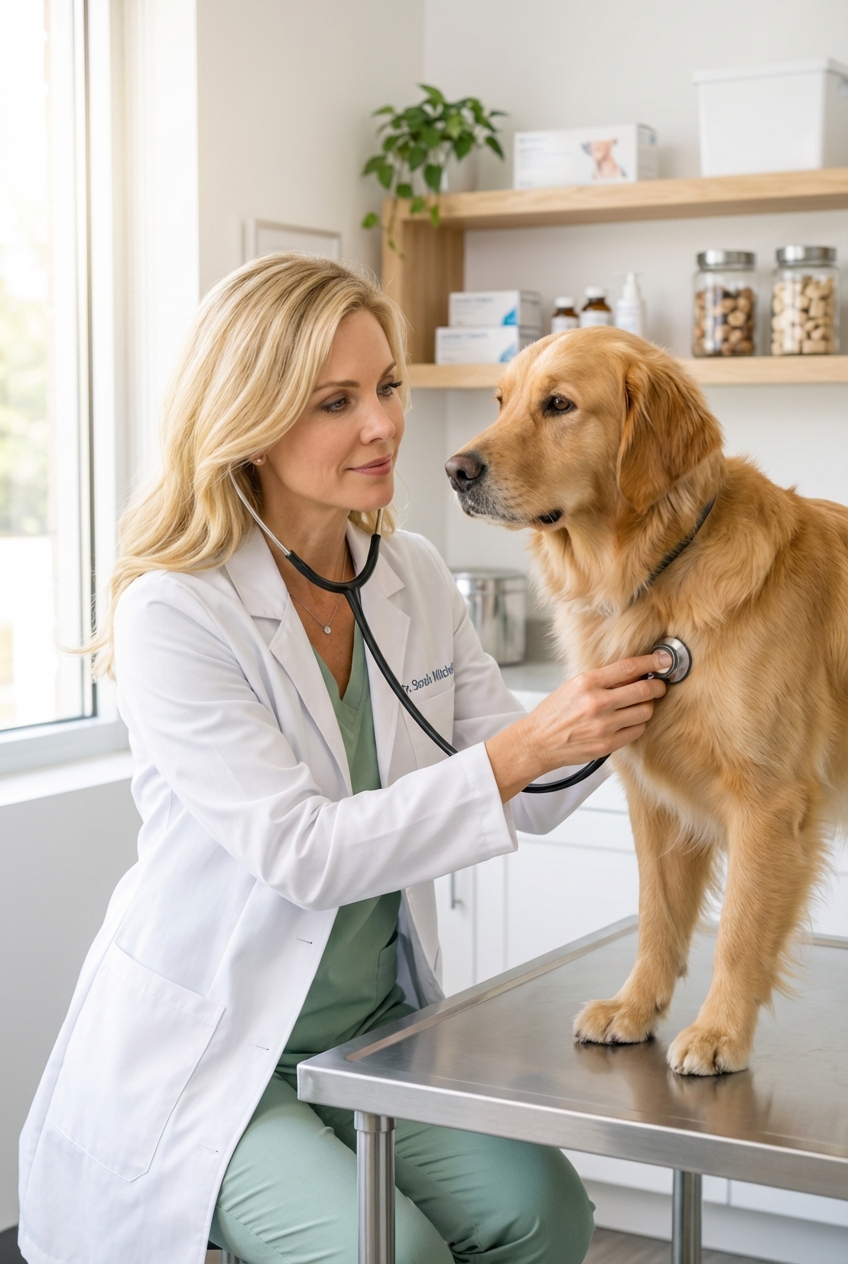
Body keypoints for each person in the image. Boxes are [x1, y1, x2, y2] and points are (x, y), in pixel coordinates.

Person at [18, 255, 669, 1264]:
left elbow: (525, 790)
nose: (382, 425)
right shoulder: (176, 611)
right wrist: (527, 745)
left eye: (387, 387)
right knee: (390, 1253)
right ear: (252, 417)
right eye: (335, 401)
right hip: (219, 1051)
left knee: (545, 1214)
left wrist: (648, 680)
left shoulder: (405, 570)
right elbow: (305, 853)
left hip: (368, 1031)